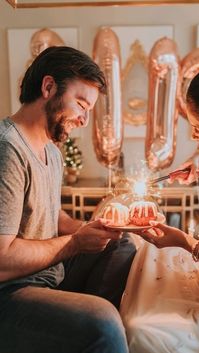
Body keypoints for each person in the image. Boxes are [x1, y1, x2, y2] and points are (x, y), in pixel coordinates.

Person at [0, 46, 136, 353]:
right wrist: (76, 243)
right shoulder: (7, 150)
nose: (84, 120)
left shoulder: (51, 151)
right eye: (81, 104)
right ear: (48, 87)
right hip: (10, 292)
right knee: (102, 322)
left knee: (121, 243)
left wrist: (96, 228)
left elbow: (52, 217)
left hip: (47, 276)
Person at [120, 43, 199, 353]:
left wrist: (188, 243)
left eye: (198, 129)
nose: (194, 138)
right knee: (144, 258)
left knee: (141, 327)